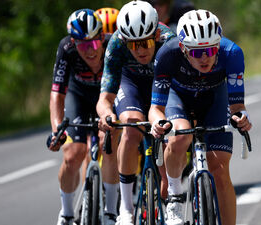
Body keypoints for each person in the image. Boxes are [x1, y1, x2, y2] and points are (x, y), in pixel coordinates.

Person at [148, 9, 252, 225]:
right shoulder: (167, 54)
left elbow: (237, 105)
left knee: (220, 170)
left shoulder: (232, 53)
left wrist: (241, 117)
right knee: (178, 137)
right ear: (184, 49)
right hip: (178, 97)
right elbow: (155, 107)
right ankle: (176, 197)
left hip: (214, 96)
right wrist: (158, 123)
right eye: (196, 52)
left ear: (218, 44)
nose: (205, 58)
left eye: (211, 49)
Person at [96, 1, 176, 224]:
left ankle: (170, 188)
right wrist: (106, 115)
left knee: (168, 132)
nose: (140, 50)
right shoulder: (116, 44)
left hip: (160, 86)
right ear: (125, 41)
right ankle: (126, 208)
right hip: (129, 84)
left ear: (156, 34)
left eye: (146, 42)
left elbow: (181, 89)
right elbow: (105, 98)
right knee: (131, 128)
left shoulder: (168, 39)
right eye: (133, 45)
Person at [47, 8, 120, 225]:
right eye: (83, 45)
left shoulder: (113, 45)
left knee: (109, 146)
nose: (90, 51)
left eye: (94, 44)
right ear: (73, 42)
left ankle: (110, 213)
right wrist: (56, 129)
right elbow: (57, 94)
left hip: (107, 98)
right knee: (72, 155)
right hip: (78, 97)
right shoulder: (66, 48)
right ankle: (67, 213)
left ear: (101, 37)